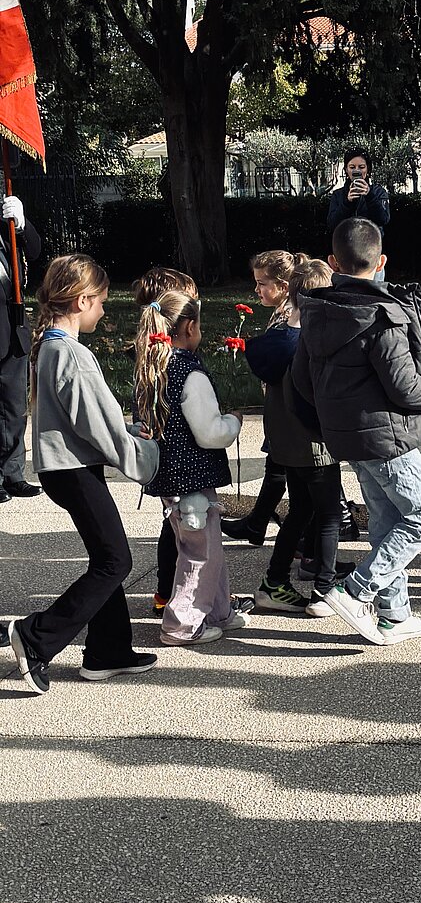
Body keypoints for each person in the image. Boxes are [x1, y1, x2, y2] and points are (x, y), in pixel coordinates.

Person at [293, 216, 421, 644]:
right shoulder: (382, 315)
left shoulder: (317, 312)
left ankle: (394, 613)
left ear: (332, 262)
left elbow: (301, 381)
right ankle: (357, 591)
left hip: (349, 435)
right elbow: (407, 389)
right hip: (388, 437)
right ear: (382, 261)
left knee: (389, 521)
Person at [4, 254, 160, 694]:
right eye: (101, 302)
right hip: (72, 470)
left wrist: (124, 432)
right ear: (81, 300)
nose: (104, 311)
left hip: (66, 467)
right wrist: (143, 454)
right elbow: (98, 425)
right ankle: (35, 637)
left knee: (106, 557)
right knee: (116, 561)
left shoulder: (53, 345)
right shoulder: (70, 352)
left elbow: (84, 418)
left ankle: (108, 652)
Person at [135, 291, 249, 647]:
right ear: (190, 326)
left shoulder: (153, 368)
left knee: (207, 549)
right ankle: (182, 623)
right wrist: (232, 422)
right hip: (193, 480)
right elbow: (210, 432)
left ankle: (216, 611)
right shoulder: (190, 372)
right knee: (200, 554)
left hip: (170, 478)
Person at [222, 249, 359, 546]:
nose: (257, 289)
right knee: (284, 471)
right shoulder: (288, 311)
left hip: (293, 412)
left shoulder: (293, 316)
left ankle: (335, 523)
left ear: (284, 287)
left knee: (303, 475)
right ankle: (259, 524)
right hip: (287, 413)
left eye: (262, 284)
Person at [247, 258, 349, 617]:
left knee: (300, 509)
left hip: (285, 441)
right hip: (315, 442)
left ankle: (275, 580)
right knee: (330, 513)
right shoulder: (314, 340)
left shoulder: (278, 337)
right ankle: (324, 589)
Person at [132, 267, 200, 615]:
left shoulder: (150, 352)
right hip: (175, 455)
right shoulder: (164, 356)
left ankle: (165, 592)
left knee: (172, 523)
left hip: (160, 454)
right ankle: (175, 596)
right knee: (182, 528)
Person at [0, 192, 44, 501]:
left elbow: (36, 249)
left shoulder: (5, 218)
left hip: (11, 326)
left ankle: (13, 473)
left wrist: (21, 223)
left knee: (14, 406)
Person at [326, 147, 391, 239]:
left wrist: (369, 196)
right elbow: (332, 224)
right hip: (346, 245)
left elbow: (383, 219)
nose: (357, 171)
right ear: (346, 169)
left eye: (361, 167)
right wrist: (347, 203)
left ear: (368, 169)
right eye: (352, 167)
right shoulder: (338, 195)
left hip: (371, 246)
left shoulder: (378, 192)